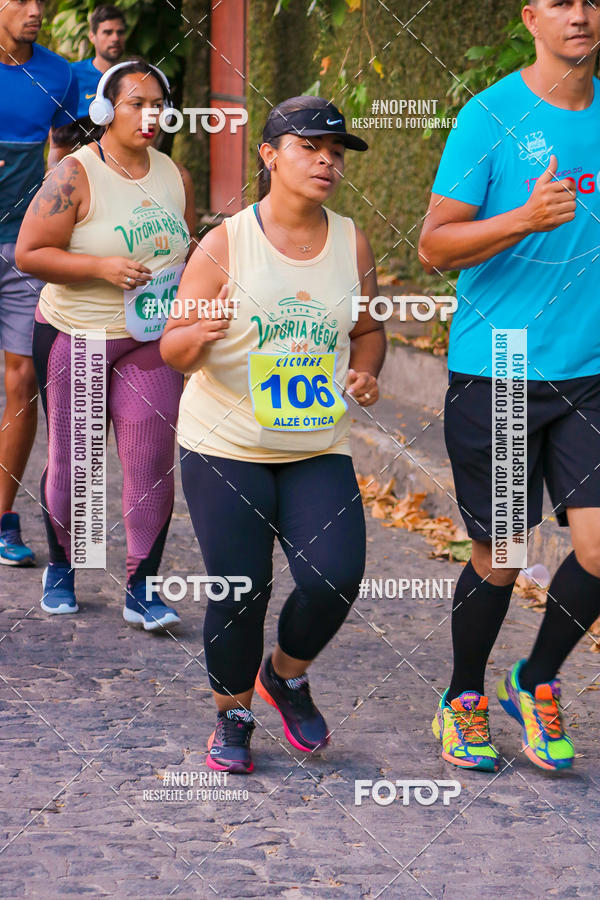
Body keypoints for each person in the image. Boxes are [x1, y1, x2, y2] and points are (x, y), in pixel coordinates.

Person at [160, 96, 385, 773]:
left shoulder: (351, 240)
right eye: (309, 147)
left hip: (316, 443)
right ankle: (231, 716)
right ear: (269, 155)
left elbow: (368, 330)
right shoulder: (226, 243)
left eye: (336, 152)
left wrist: (367, 371)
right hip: (225, 445)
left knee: (335, 577)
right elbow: (172, 346)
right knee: (241, 589)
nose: (326, 161)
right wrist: (196, 336)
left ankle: (283, 676)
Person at [419, 0, 600, 773]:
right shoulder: (488, 117)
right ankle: (463, 696)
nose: (580, 14)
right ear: (530, 17)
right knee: (503, 553)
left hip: (591, 372)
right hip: (503, 365)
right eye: (561, 1)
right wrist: (523, 218)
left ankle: (535, 678)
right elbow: (434, 246)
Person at [15, 59, 196, 629]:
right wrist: (100, 267)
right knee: (79, 463)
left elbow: (185, 252)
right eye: (135, 104)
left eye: (158, 105)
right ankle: (65, 566)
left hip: (149, 340)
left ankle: (142, 588)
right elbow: (29, 253)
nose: (149, 116)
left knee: (150, 460)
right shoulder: (75, 174)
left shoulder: (174, 175)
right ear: (104, 109)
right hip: (79, 335)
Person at [0, 0, 79, 565]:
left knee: (22, 378)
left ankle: (3, 518)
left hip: (23, 249)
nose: (35, 11)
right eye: (22, 0)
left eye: (42, 2)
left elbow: (69, 148)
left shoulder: (58, 74)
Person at [49, 4, 126, 165]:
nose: (115, 38)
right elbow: (56, 134)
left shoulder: (133, 77)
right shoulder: (70, 75)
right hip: (78, 161)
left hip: (123, 161)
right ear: (92, 36)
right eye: (107, 32)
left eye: (120, 32)